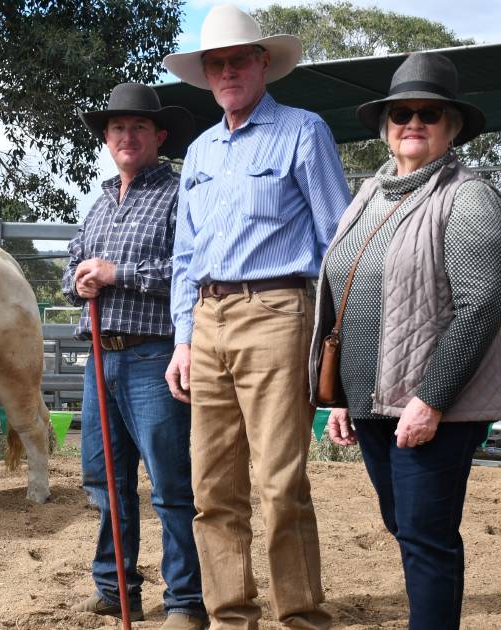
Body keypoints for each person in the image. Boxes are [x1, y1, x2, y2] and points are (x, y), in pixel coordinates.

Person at [309, 52, 501, 630]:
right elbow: (344, 297)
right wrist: (342, 395)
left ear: (452, 127)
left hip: (433, 407)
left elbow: (482, 306)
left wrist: (433, 398)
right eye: (402, 113)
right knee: (406, 524)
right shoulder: (370, 194)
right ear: (385, 126)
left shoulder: (468, 196)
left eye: (429, 113)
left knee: (426, 534)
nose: (413, 123)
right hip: (375, 402)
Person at [162, 5, 351, 628]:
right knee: (212, 487)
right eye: (215, 64)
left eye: (237, 59)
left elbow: (338, 242)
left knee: (279, 481)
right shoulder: (199, 152)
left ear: (262, 62)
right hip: (208, 319)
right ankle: (229, 617)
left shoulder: (303, 131)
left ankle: (300, 617)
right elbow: (186, 255)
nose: (227, 72)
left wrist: (332, 337)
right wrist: (183, 338)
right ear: (206, 75)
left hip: (278, 310)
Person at [63, 82, 207, 630]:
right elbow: (70, 269)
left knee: (170, 483)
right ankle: (113, 585)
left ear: (159, 136)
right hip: (100, 356)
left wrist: (117, 275)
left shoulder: (179, 195)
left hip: (154, 356)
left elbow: (189, 270)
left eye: (138, 127)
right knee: (104, 479)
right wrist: (79, 281)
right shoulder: (99, 201)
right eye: (117, 127)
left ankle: (185, 602)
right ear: (107, 137)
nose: (127, 136)